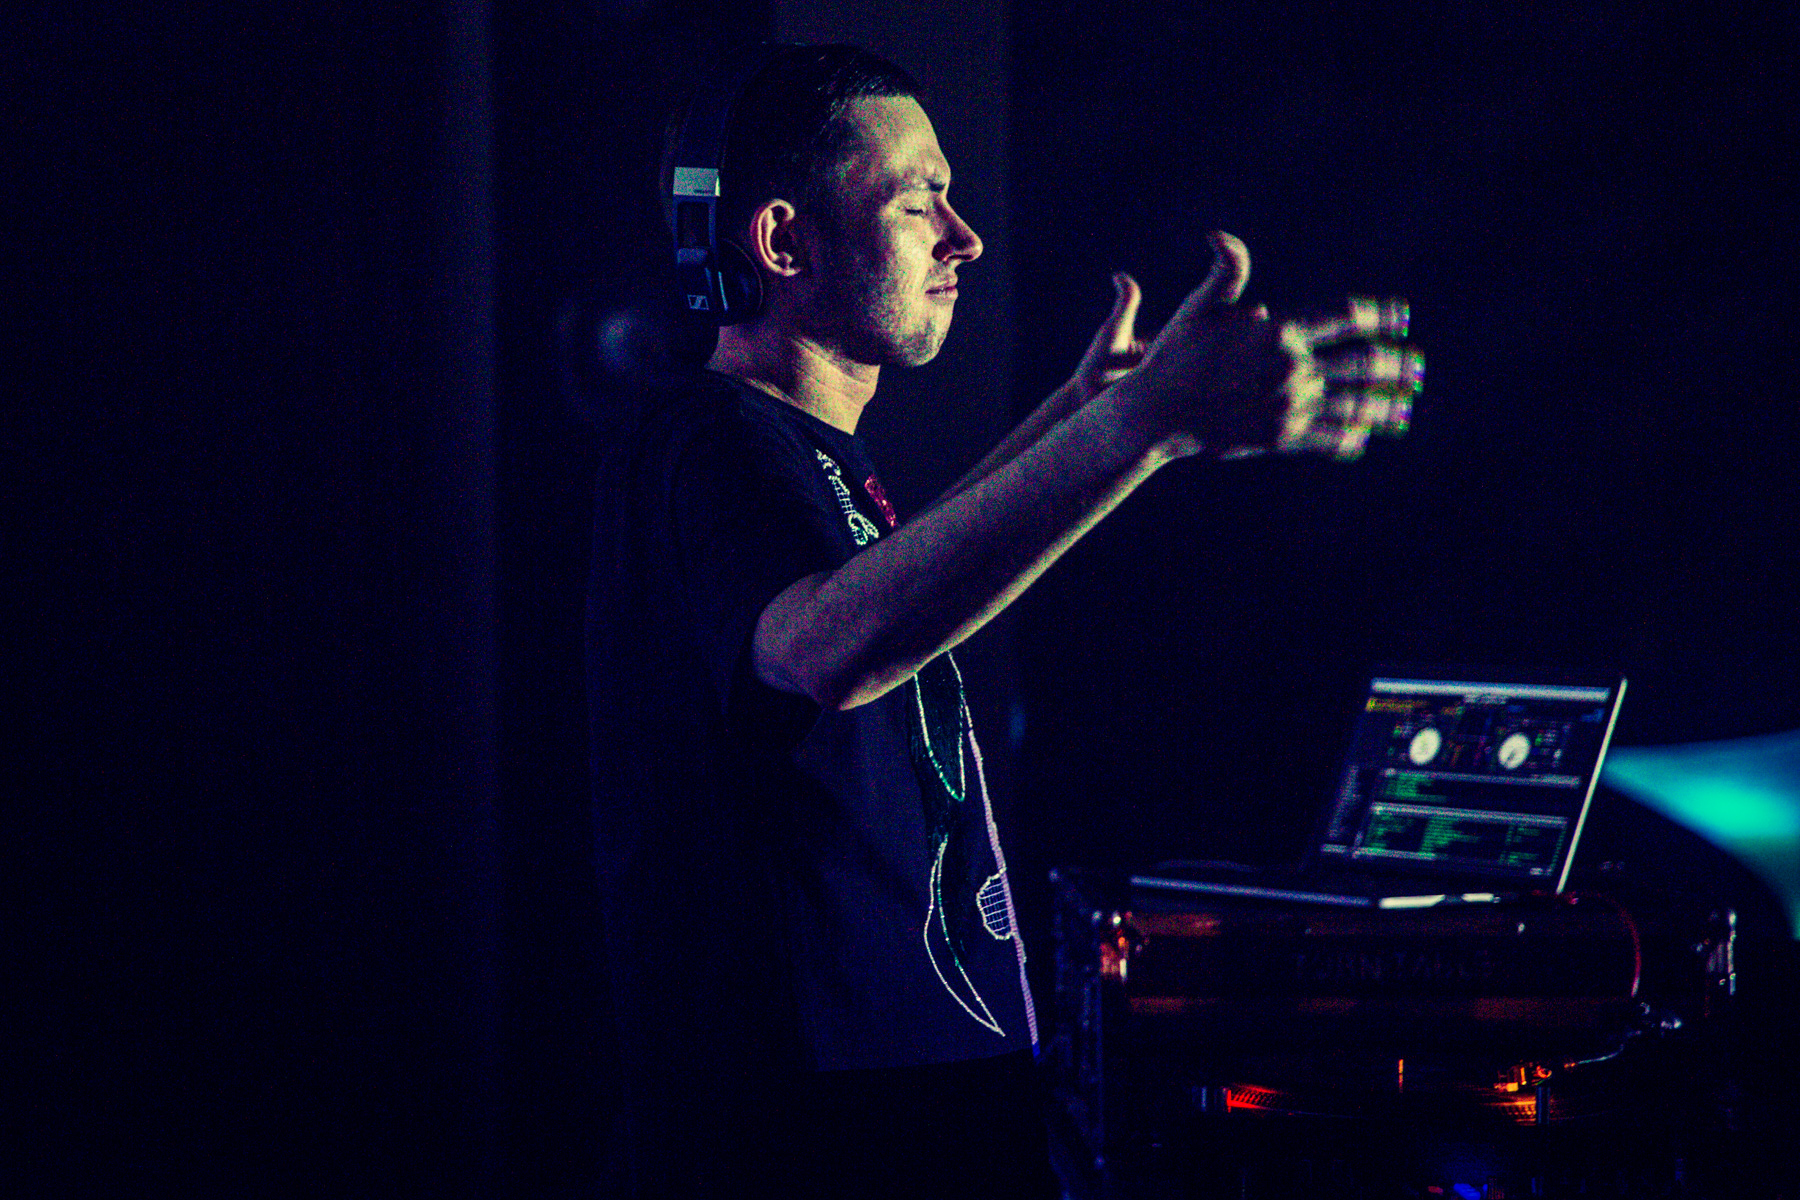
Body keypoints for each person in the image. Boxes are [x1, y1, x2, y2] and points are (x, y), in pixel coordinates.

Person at [587, 44, 1419, 1199]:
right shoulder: (711, 442)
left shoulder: (798, 457)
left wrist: (1092, 420)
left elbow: (891, 587)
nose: (963, 237)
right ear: (784, 244)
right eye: (917, 201)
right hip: (817, 1144)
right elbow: (826, 646)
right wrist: (1138, 429)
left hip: (904, 1112)